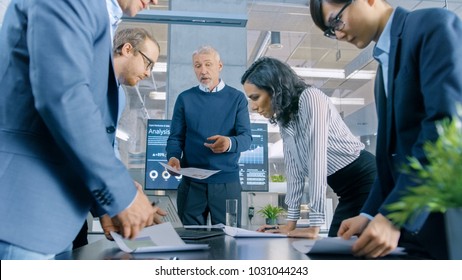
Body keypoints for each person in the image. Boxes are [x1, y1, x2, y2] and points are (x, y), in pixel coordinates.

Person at [0, 0, 160, 260]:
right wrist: (123, 197)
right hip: (24, 214)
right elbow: (64, 98)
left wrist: (107, 206)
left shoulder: (101, 20)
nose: (155, 1)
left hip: (56, 223)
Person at [310, 0, 462, 259]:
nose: (338, 34)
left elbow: (445, 129)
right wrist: (369, 214)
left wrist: (393, 214)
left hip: (444, 221)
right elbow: (392, 158)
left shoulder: (431, 25)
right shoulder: (382, 69)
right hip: (413, 231)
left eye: (336, 21)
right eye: (329, 30)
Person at [241, 57, 376, 238]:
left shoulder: (310, 98)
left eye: (255, 97)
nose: (253, 107)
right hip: (346, 192)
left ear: (274, 90)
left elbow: (316, 162)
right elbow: (294, 171)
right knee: (337, 251)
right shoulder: (285, 118)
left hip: (367, 181)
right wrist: (290, 224)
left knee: (348, 253)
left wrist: (314, 226)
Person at [166, 45, 252, 226]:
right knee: (190, 240)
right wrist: (173, 157)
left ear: (219, 66)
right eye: (197, 66)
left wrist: (229, 143)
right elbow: (176, 137)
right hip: (191, 184)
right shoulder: (185, 99)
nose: (203, 71)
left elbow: (246, 138)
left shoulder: (237, 99)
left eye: (208, 64)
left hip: (226, 183)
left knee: (227, 242)